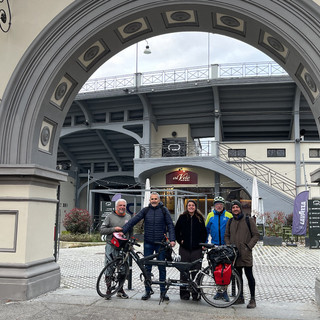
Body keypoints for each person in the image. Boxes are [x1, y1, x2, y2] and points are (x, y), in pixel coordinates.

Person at [121, 192, 176, 301]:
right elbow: (134, 220)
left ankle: (163, 292)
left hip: (161, 244)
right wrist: (123, 230)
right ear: (149, 200)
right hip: (148, 243)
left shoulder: (164, 210)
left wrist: (172, 239)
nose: (154, 200)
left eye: (156, 199)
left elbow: (170, 225)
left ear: (159, 200)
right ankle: (147, 291)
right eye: (152, 199)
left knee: (162, 267)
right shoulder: (145, 210)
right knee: (147, 268)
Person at [224, 200, 260, 309]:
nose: (235, 209)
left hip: (246, 253)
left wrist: (248, 246)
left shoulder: (248, 220)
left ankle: (252, 298)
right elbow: (226, 235)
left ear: (240, 208)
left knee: (249, 276)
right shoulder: (230, 221)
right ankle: (240, 297)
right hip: (235, 254)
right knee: (238, 277)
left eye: (237, 207)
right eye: (233, 207)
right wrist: (229, 246)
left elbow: (256, 235)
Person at [175, 200, 207, 301]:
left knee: (196, 272)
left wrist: (201, 243)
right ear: (187, 207)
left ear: (195, 207)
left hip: (196, 249)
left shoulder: (200, 218)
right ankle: (184, 294)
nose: (191, 207)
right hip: (184, 249)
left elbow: (204, 233)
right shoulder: (182, 217)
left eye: (193, 205)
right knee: (184, 272)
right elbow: (176, 231)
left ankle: (195, 294)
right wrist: (180, 241)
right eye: (189, 205)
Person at [100, 198, 132, 299]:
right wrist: (114, 229)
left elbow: (131, 231)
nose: (122, 207)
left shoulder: (128, 216)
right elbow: (102, 230)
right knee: (109, 267)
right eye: (120, 205)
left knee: (123, 269)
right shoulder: (110, 217)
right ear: (116, 207)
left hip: (123, 246)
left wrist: (130, 242)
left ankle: (120, 290)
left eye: (124, 206)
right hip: (111, 245)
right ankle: (108, 289)